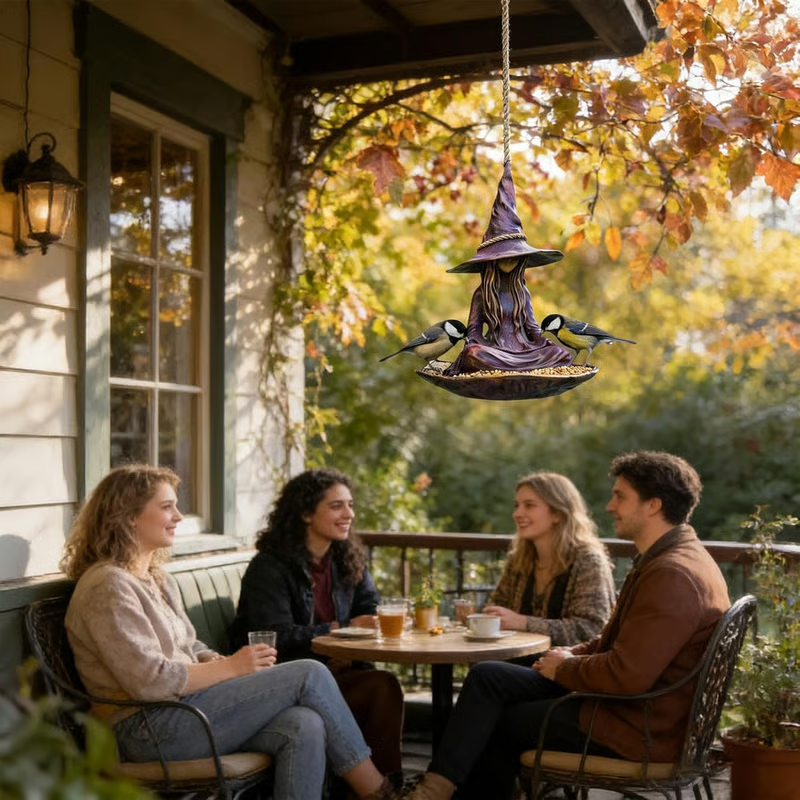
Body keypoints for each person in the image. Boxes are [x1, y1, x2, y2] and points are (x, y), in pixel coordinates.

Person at [60, 464, 400, 800]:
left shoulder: (154, 578)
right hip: (142, 729)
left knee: (304, 723)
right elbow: (149, 682)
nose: (179, 516)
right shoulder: (108, 586)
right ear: (129, 516)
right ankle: (378, 792)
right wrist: (231, 668)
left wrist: (217, 660)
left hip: (184, 712)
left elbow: (190, 644)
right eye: (167, 507)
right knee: (310, 673)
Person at [407, 451, 731, 800]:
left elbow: (628, 674)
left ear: (653, 505)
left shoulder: (672, 574)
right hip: (627, 708)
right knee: (489, 676)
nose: (609, 506)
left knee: (500, 720)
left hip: (636, 728)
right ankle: (436, 789)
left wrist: (567, 668)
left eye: (620, 496)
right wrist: (571, 654)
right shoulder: (668, 559)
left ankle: (444, 793)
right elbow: (612, 640)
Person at [228, 467, 404, 788]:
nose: (349, 514)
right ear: (307, 513)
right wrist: (338, 632)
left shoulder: (346, 558)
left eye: (350, 505)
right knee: (382, 687)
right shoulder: (270, 566)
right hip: (285, 683)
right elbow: (274, 633)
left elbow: (370, 608)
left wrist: (351, 644)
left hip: (338, 672)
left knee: (384, 685)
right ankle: (377, 791)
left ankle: (388, 782)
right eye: (336, 506)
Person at [482, 471, 616, 651]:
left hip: (566, 670)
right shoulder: (519, 559)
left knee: (485, 671)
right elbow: (497, 606)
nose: (517, 513)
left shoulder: (588, 561)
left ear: (558, 514)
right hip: (517, 658)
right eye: (516, 505)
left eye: (529, 505)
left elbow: (591, 630)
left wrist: (524, 622)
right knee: (483, 666)